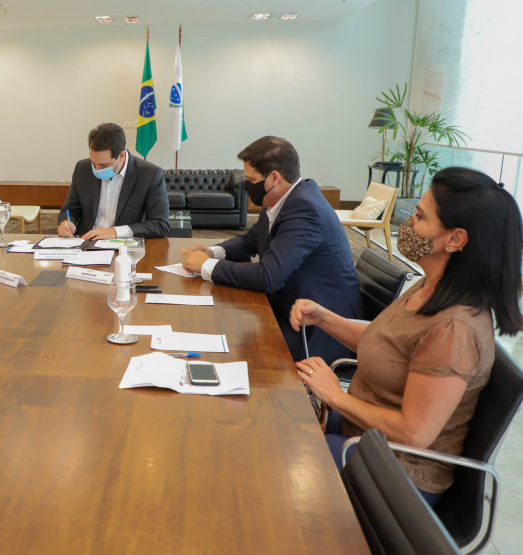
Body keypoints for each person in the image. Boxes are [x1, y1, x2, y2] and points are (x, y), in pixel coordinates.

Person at [291, 167, 523, 505]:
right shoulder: (432, 284)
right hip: (364, 443)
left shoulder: (454, 328)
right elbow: (387, 343)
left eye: (419, 216)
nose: (408, 224)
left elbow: (413, 433)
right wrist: (325, 318)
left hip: (397, 474)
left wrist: (335, 395)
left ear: (455, 239)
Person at [181, 136, 362, 363]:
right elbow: (250, 240)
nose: (246, 186)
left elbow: (268, 276)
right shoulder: (283, 199)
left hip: (318, 331)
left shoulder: (304, 208)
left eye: (251, 179)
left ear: (274, 178)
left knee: (233, 349)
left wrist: (206, 266)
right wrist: (211, 252)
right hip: (290, 307)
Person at [57, 122, 169, 240]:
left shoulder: (150, 174)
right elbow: (71, 209)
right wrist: (67, 223)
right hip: (86, 243)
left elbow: (160, 224)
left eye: (103, 165)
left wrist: (116, 232)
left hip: (125, 247)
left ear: (122, 156)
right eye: (93, 163)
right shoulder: (82, 168)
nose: (96, 169)